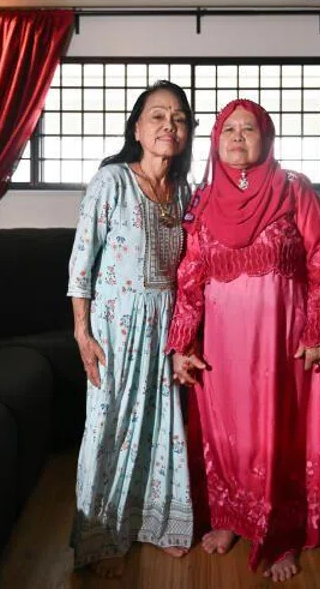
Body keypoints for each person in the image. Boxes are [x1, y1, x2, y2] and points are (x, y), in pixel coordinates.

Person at [166, 99, 320, 582]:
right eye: (228, 129)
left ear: (266, 139)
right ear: (215, 141)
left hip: (283, 342)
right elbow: (190, 276)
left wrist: (319, 330)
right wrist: (183, 344)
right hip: (222, 346)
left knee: (280, 432)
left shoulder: (294, 189)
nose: (238, 137)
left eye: (248, 128)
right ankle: (231, 517)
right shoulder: (203, 199)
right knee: (228, 432)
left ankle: (283, 533)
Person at [67, 80, 196, 578]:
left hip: (166, 325)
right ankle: (99, 534)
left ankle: (157, 524)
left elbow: (191, 271)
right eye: (158, 116)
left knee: (161, 425)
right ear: (137, 128)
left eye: (179, 118)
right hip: (116, 326)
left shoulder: (184, 192)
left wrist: (185, 336)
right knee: (109, 425)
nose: (169, 125)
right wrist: (82, 333)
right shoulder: (112, 181)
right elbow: (82, 262)